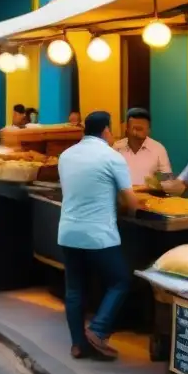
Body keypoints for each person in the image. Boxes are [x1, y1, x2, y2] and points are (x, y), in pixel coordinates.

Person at [57, 111, 137, 360]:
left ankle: (78, 344)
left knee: (75, 289)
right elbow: (130, 200)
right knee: (120, 280)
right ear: (105, 130)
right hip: (99, 234)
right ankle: (98, 329)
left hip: (68, 231)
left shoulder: (66, 155)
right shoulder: (112, 157)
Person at [112, 108, 172, 188]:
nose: (135, 133)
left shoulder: (158, 149)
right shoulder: (117, 148)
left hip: (149, 198)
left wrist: (155, 181)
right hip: (122, 197)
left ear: (148, 130)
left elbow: (168, 178)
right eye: (133, 128)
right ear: (127, 129)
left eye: (140, 129)